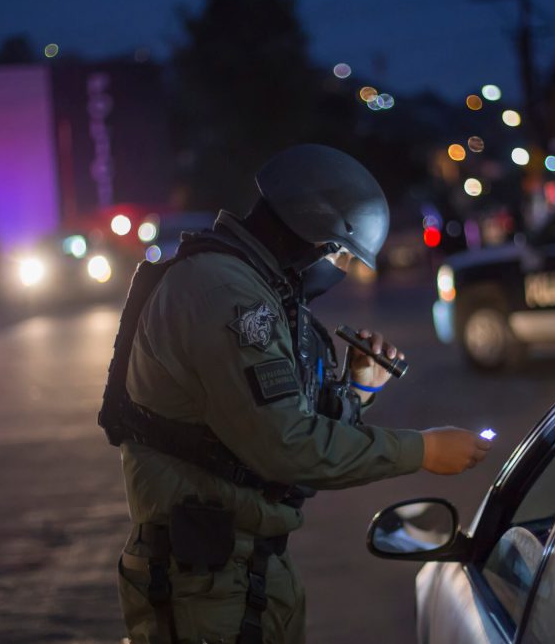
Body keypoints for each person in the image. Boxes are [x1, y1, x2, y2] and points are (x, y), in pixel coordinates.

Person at [99, 144, 492, 644]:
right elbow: (286, 447)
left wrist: (357, 389)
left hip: (237, 572)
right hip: (204, 585)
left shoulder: (255, 285)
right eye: (343, 254)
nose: (342, 269)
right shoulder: (226, 294)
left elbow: (290, 423)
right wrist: (423, 450)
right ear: (312, 235)